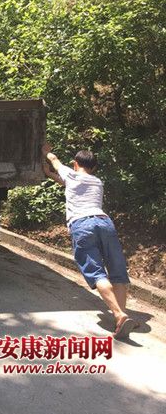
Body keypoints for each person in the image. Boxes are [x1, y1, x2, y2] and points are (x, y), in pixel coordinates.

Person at [41, 143, 137, 339]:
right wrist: (50, 175)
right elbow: (70, 185)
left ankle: (119, 315)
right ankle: (121, 317)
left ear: (75, 164)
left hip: (82, 224)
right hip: (104, 222)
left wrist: (46, 152)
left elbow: (55, 161)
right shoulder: (97, 181)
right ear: (94, 168)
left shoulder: (71, 174)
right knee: (117, 271)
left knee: (96, 272)